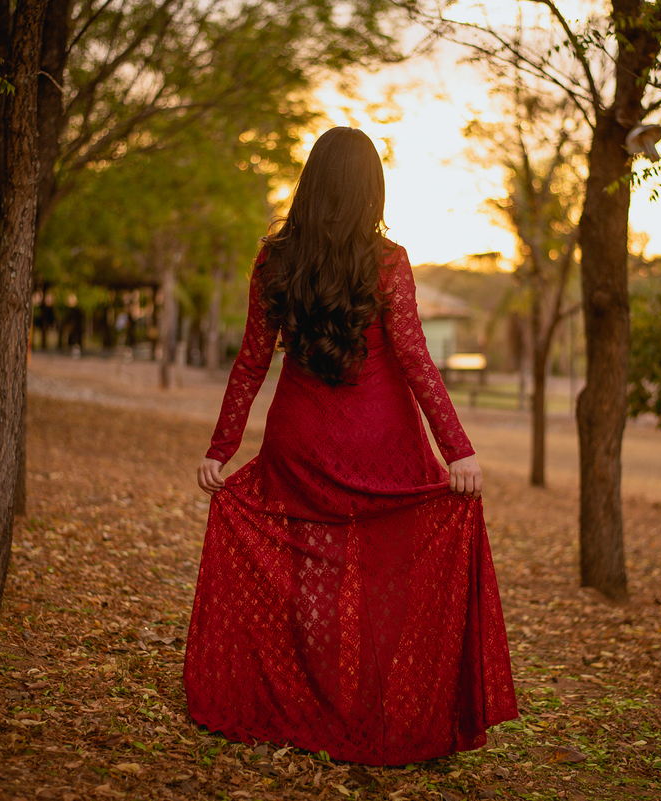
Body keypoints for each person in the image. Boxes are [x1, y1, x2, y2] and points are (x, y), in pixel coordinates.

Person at [184, 127, 517, 766]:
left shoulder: (275, 260)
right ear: (371, 189)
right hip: (383, 447)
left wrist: (221, 448)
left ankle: (312, 707)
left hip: (299, 445)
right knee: (389, 574)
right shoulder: (388, 261)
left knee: (309, 574)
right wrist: (459, 450)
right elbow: (416, 360)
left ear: (311, 183)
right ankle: (374, 709)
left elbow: (251, 362)